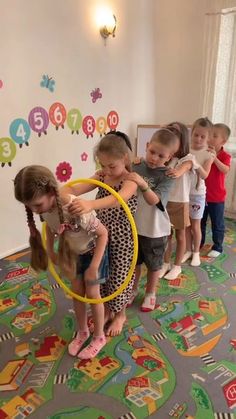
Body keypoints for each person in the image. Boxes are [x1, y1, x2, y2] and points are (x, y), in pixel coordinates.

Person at [14, 165, 109, 359]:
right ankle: (83, 331)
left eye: (37, 205)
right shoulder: (46, 206)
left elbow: (103, 234)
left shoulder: (74, 208)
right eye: (30, 206)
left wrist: (93, 266)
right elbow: (49, 225)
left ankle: (99, 336)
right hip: (73, 254)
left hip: (93, 253)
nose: (34, 210)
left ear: (50, 193)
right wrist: (50, 249)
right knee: (77, 293)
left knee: (92, 294)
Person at [63, 132, 138, 336]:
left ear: (124, 158)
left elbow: (118, 199)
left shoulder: (130, 179)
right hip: (101, 234)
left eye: (111, 166)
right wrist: (58, 193)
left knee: (119, 276)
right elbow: (76, 188)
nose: (106, 170)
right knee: (103, 274)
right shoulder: (102, 175)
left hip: (123, 237)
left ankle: (120, 314)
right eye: (102, 165)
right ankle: (106, 310)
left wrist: (90, 204)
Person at [126, 128, 178, 311]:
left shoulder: (168, 176)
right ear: (147, 147)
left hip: (155, 230)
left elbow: (154, 200)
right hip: (134, 226)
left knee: (154, 265)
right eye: (152, 152)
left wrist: (142, 183)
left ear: (169, 157)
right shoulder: (137, 165)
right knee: (134, 262)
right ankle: (132, 290)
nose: (154, 158)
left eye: (161, 155)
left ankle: (150, 293)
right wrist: (131, 162)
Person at [159, 122, 197, 280]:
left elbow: (184, 168)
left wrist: (176, 171)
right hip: (166, 202)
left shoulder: (189, 158)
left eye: (174, 134)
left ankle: (177, 266)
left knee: (180, 236)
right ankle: (166, 263)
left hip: (181, 202)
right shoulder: (169, 158)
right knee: (166, 235)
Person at [182, 117, 215, 266]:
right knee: (186, 225)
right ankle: (188, 249)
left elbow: (205, 175)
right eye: (196, 135)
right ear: (191, 133)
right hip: (183, 193)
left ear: (208, 138)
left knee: (196, 225)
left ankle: (196, 252)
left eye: (203, 136)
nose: (198, 139)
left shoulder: (209, 154)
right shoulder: (186, 149)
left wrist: (194, 163)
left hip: (197, 195)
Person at [201, 123, 231, 257]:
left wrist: (215, 158)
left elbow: (225, 169)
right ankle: (198, 244)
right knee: (200, 221)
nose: (210, 138)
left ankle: (217, 247)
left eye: (214, 136)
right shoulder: (204, 151)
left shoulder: (225, 155)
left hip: (217, 197)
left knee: (217, 224)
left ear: (223, 141)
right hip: (201, 195)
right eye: (210, 135)